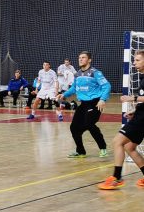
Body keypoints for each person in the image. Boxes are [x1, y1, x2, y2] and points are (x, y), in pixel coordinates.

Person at [98, 50, 144, 189]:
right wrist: (135, 111)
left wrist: (132, 98)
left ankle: (117, 178)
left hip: (142, 120)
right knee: (130, 147)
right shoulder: (142, 78)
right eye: (134, 60)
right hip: (140, 116)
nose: (134, 63)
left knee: (117, 141)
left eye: (137, 60)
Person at [57, 51, 110, 159]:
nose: (80, 59)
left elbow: (107, 86)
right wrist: (64, 95)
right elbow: (73, 88)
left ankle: (103, 148)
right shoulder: (77, 74)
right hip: (84, 104)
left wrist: (102, 99)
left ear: (89, 60)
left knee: (90, 124)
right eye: (79, 57)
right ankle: (80, 151)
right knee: (74, 128)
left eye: (83, 57)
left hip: (95, 103)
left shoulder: (95, 73)